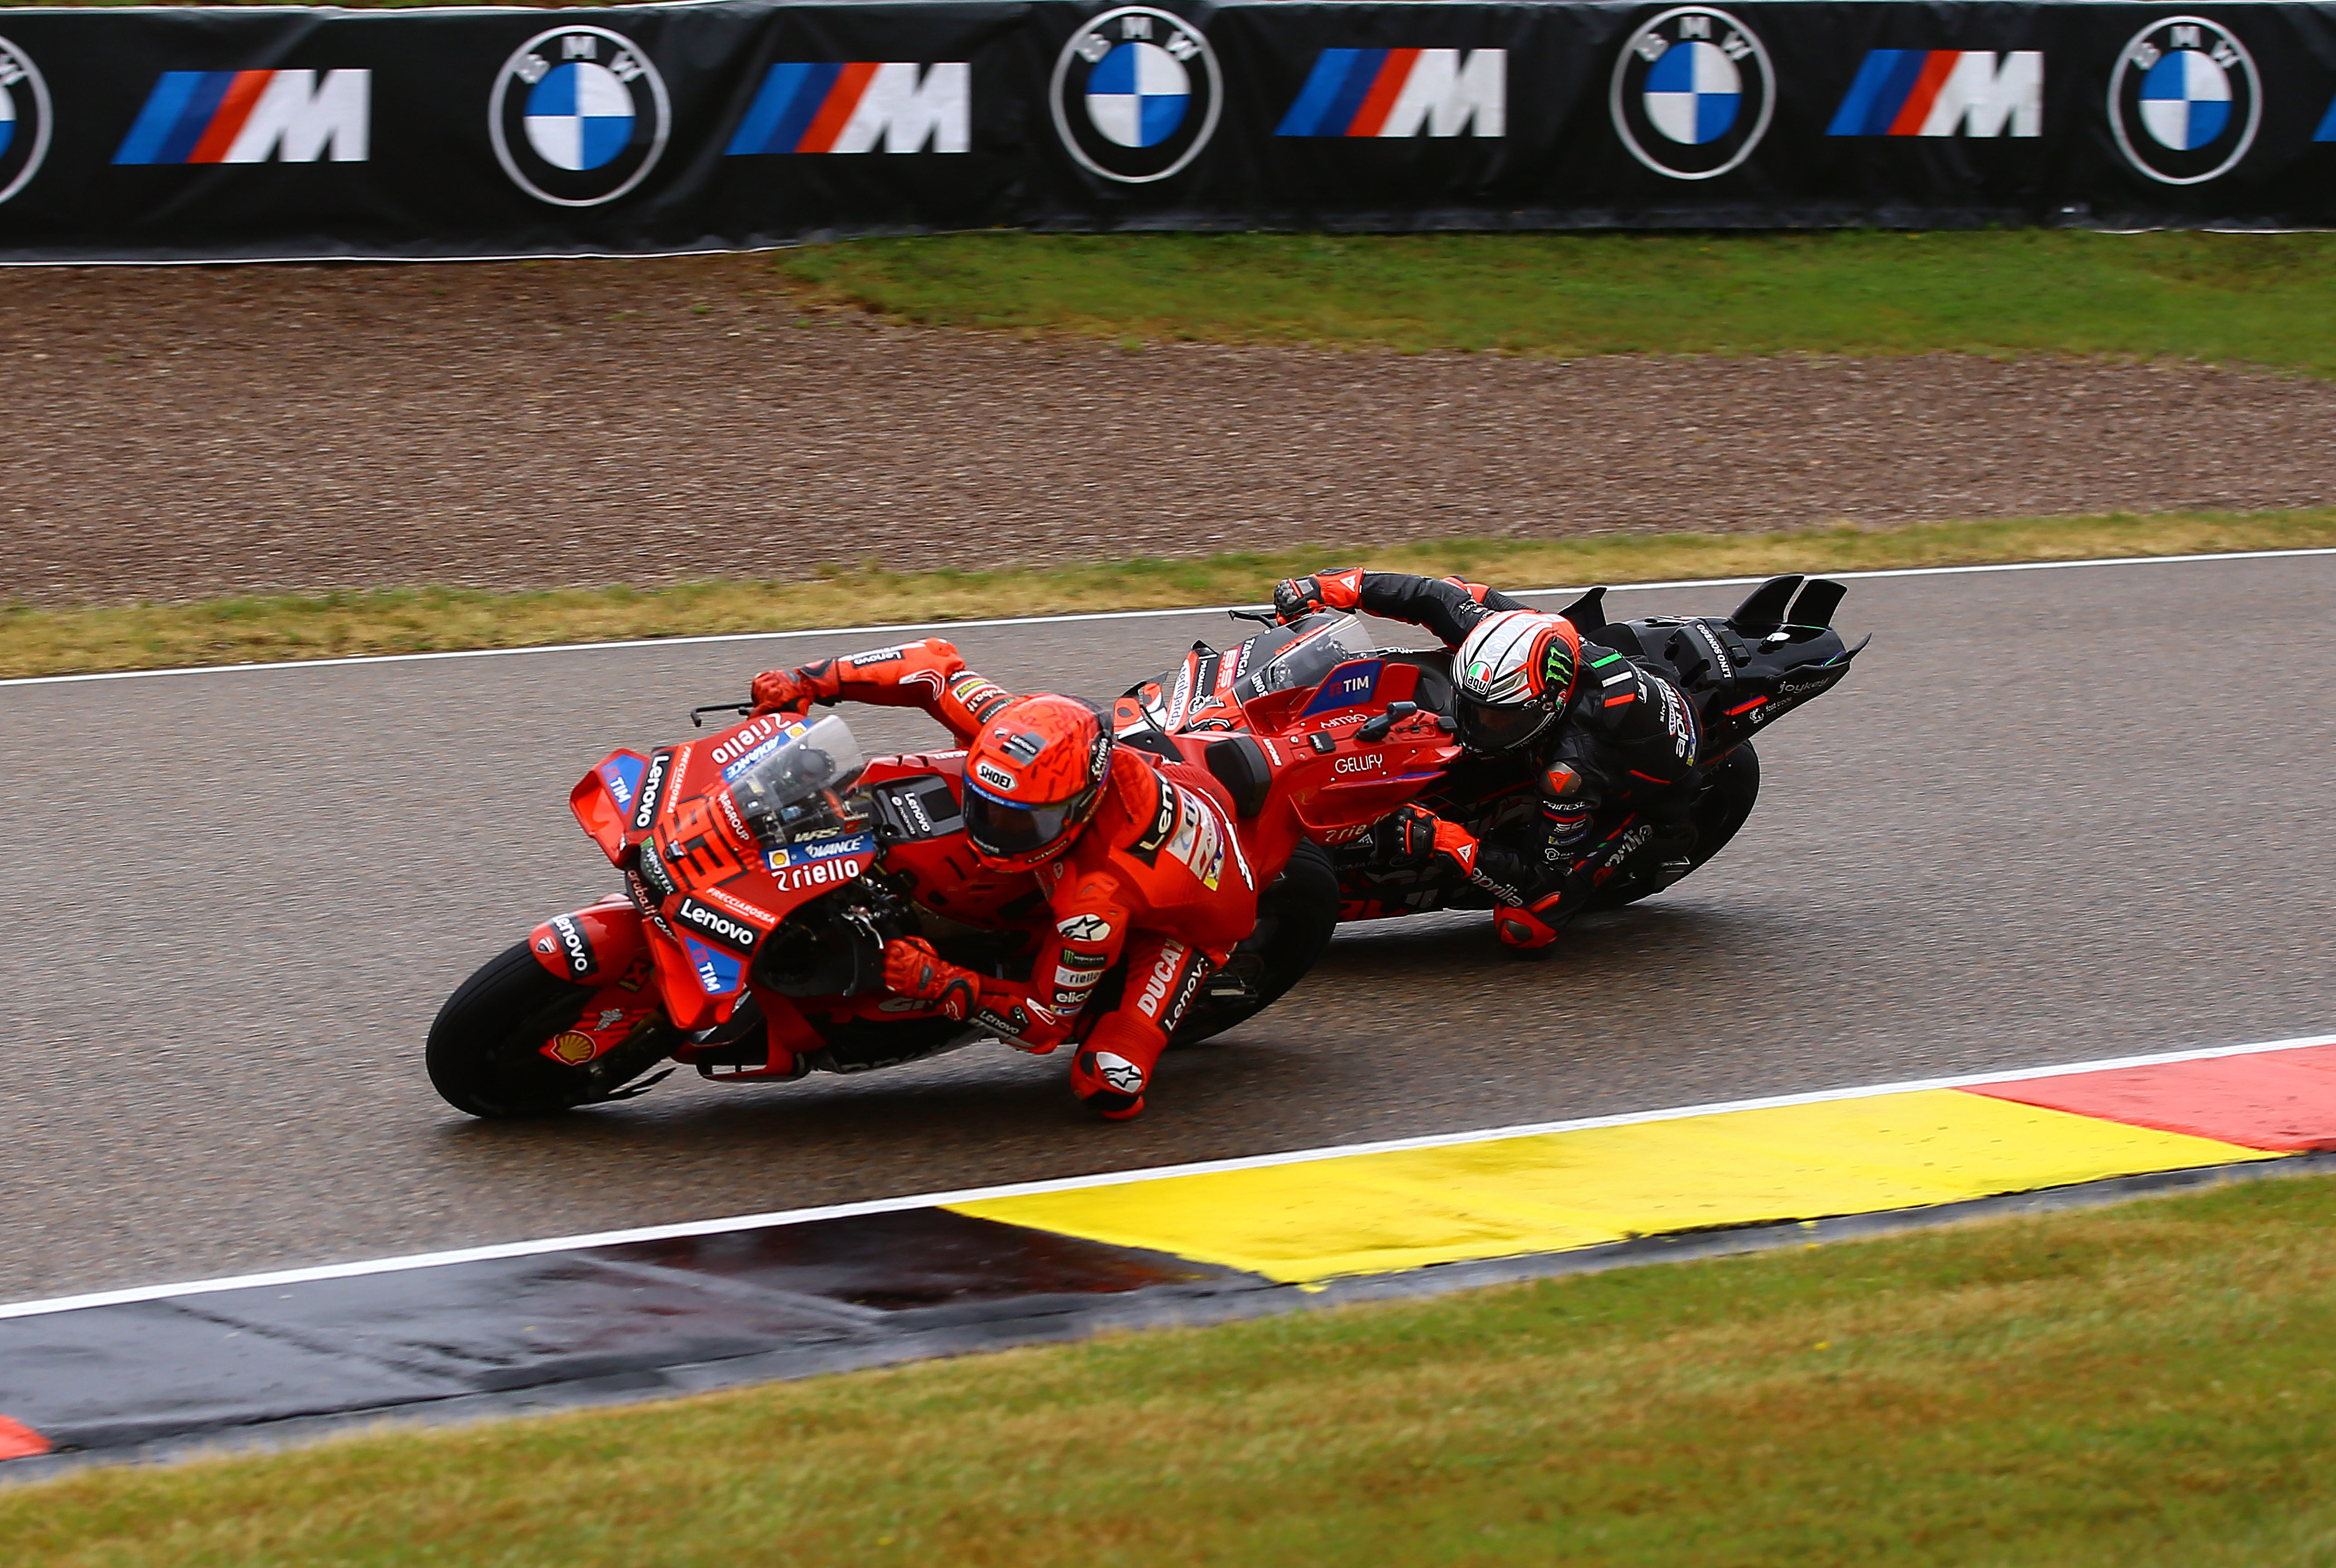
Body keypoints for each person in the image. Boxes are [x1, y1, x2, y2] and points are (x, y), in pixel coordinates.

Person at [747, 639, 1258, 1118]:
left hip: (1187, 924)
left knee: (1108, 1080)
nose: (993, 827)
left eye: (1020, 822)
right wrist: (808, 680)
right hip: (1173, 775)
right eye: (986, 805)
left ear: (1077, 811)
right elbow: (932, 665)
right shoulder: (1014, 733)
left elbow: (1044, 1023)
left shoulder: (1093, 905)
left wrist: (940, 982)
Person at [1270, 568, 1702, 952]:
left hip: (1649, 791)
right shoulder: (1505, 635)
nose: (1478, 726)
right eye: (1473, 708)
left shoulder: (1571, 770)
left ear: (1547, 709)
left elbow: (1539, 879)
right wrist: (1332, 586)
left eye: (1499, 719)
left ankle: (1645, 838)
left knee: (1528, 923)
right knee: (1464, 591)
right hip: (1610, 670)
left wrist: (1442, 839)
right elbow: (1430, 595)